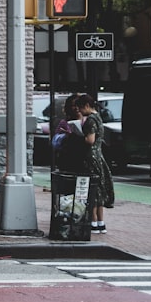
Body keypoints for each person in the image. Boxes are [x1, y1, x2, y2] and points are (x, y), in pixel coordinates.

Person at [75, 93, 116, 233]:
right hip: (99, 156)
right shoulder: (98, 117)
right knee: (99, 190)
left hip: (90, 157)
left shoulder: (90, 120)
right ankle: (101, 223)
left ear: (86, 106)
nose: (79, 111)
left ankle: (92, 221)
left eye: (80, 108)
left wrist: (79, 136)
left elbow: (90, 140)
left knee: (92, 190)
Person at [52, 93, 85, 173]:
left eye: (79, 105)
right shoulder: (64, 122)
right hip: (68, 157)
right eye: (73, 105)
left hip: (84, 158)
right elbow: (55, 142)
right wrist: (66, 136)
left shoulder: (89, 121)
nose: (76, 108)